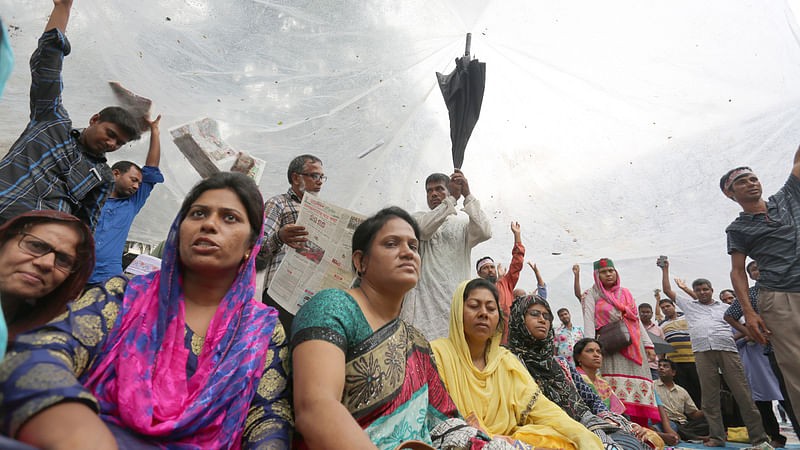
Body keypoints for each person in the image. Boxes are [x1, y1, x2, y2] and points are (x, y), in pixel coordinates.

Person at [0, 172, 291, 448]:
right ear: (179, 229)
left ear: (250, 245)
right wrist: (78, 432)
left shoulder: (263, 330)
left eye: (230, 218)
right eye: (198, 213)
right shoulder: (124, 294)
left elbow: (269, 418)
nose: (209, 224)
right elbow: (42, 352)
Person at [291, 207, 508, 449]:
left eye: (414, 247)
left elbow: (443, 420)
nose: (408, 253)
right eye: (392, 244)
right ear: (360, 261)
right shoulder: (333, 306)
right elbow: (316, 408)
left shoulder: (415, 340)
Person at [0, 0, 141, 232]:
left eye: (119, 143)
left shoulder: (104, 177)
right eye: (111, 134)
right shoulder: (52, 121)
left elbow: (85, 226)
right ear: (95, 119)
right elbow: (47, 66)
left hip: (34, 243)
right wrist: (62, 9)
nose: (112, 144)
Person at [431, 278, 603, 449]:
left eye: (491, 308)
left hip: (510, 441)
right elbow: (439, 423)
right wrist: (494, 440)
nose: (483, 313)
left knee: (566, 443)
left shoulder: (506, 361)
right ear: (457, 311)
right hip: (460, 441)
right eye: (474, 306)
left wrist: (582, 435)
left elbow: (541, 409)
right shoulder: (437, 354)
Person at [507, 294, 651, 449]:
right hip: (547, 433)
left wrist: (611, 419)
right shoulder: (509, 362)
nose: (543, 320)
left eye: (546, 316)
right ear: (519, 318)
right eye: (534, 314)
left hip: (589, 425)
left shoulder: (561, 364)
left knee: (637, 441)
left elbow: (592, 400)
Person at [659, 259, 770, 448]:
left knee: (742, 393)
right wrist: (665, 269)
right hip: (702, 353)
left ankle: (759, 437)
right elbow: (668, 291)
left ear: (711, 290)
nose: (702, 292)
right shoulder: (690, 306)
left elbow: (743, 324)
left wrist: (743, 336)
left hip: (727, 350)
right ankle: (717, 437)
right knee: (709, 398)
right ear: (696, 292)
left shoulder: (725, 308)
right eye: (699, 289)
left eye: (705, 289)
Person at [721, 151, 800, 413]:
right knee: (796, 369)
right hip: (779, 298)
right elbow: (737, 271)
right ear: (730, 194)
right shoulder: (738, 228)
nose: (751, 183)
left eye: (753, 178)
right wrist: (749, 312)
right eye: (741, 182)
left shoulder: (786, 198)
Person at [401, 169, 491, 341]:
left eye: (439, 189)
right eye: (429, 190)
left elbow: (485, 231)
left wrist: (467, 195)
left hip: (452, 305)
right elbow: (423, 230)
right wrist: (451, 200)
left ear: (450, 190)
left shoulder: (463, 225)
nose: (433, 194)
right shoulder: (418, 218)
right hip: (422, 307)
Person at [724, 260, 797, 447]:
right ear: (749, 276)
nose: (757, 271)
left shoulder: (787, 286)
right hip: (771, 351)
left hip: (794, 346)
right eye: (752, 270)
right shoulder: (750, 295)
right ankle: (776, 436)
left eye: (760, 267)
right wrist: (751, 332)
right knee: (776, 396)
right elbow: (729, 315)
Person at [0, 210, 94, 350]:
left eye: (63, 260)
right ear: (3, 242)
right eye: (36, 246)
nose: (47, 263)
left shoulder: (53, 343)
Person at [581, 258, 659, 426]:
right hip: (610, 348)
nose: (608, 274)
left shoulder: (626, 293)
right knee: (612, 391)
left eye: (611, 270)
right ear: (596, 275)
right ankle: (619, 431)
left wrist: (648, 345)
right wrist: (590, 348)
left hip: (634, 346)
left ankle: (643, 432)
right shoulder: (591, 294)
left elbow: (636, 321)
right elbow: (588, 321)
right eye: (603, 272)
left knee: (639, 389)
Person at [88, 117, 164, 285]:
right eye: (133, 180)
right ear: (116, 174)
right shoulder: (89, 196)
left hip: (108, 278)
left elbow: (152, 168)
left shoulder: (132, 203)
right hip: (75, 272)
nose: (137, 186)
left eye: (139, 183)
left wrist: (155, 132)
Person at [257, 154, 325, 332]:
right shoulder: (278, 203)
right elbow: (258, 250)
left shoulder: (322, 210)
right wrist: (280, 237)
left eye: (322, 177)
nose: (320, 182)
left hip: (310, 297)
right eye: (315, 176)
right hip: (281, 293)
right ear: (296, 178)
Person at [573, 338, 675, 447]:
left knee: (653, 438)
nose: (596, 355)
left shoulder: (603, 384)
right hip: (588, 426)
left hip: (611, 424)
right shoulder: (574, 379)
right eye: (590, 351)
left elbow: (615, 414)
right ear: (578, 357)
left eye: (599, 352)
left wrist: (632, 426)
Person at [474, 221, 524, 342]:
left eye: (492, 267)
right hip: (488, 342)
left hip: (511, 341)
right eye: (485, 268)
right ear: (479, 273)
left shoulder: (506, 284)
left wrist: (517, 236)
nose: (490, 270)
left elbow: (517, 263)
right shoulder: (476, 291)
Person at [657, 297, 702, 408]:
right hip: (675, 363)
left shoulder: (687, 317)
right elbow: (662, 345)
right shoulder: (661, 325)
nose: (665, 309)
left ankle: (702, 413)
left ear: (673, 306)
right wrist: (661, 362)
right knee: (682, 388)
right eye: (663, 308)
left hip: (693, 359)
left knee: (698, 386)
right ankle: (690, 414)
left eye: (668, 306)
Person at [653, 359, 709, 442]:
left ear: (673, 372)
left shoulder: (682, 391)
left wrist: (707, 409)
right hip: (666, 422)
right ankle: (697, 437)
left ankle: (684, 436)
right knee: (656, 428)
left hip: (683, 424)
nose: (661, 368)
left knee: (707, 424)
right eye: (659, 366)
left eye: (665, 366)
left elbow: (693, 414)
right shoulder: (652, 385)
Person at [638, 303, 665, 379]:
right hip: (639, 364)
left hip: (654, 365)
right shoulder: (635, 328)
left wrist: (659, 363)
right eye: (642, 312)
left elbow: (662, 348)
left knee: (655, 388)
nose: (645, 314)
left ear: (652, 314)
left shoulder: (658, 329)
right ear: (638, 313)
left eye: (648, 312)